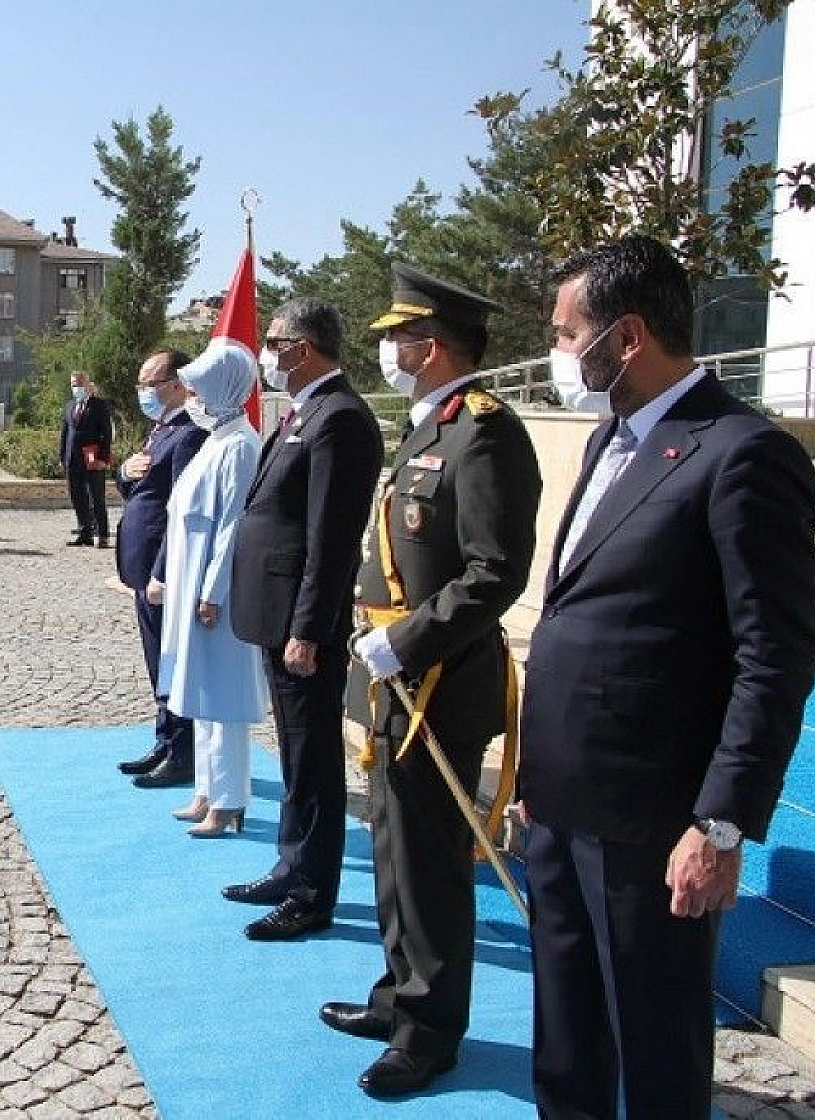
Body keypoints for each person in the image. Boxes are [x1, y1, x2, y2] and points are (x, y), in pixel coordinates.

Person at [518, 235, 815, 1120]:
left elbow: (773, 657)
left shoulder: (741, 453)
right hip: (565, 802)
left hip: (655, 819)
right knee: (567, 1031)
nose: (560, 351)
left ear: (629, 336)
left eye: (569, 333)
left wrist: (720, 823)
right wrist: (539, 774)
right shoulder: (613, 437)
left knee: (654, 1044)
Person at [326, 263, 541, 1097]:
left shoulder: (483, 430)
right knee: (390, 847)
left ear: (435, 345)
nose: (385, 348)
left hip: (438, 680)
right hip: (392, 675)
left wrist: (408, 641)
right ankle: (396, 992)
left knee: (432, 863)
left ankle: (429, 1031)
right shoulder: (429, 426)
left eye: (396, 337)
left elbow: (496, 571)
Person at [223, 299, 383, 941]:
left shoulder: (340, 418)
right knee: (294, 750)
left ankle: (314, 893)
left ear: (305, 347)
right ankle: (292, 864)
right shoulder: (307, 410)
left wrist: (309, 629)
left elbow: (331, 539)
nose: (268, 352)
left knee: (315, 757)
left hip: (301, 623)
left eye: (276, 341)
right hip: (278, 612)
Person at [151, 338, 269, 838]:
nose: (192, 397)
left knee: (224, 697)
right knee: (200, 692)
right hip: (189, 578)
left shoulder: (241, 445)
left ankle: (229, 800)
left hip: (211, 591)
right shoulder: (215, 440)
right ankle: (206, 789)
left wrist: (211, 592)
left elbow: (232, 526)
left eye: (199, 388)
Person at [113, 348, 206, 789]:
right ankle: (165, 739)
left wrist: (164, 571)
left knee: (171, 661)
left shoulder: (188, 435)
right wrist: (124, 471)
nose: (143, 390)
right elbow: (137, 483)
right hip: (140, 566)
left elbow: (180, 510)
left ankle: (183, 751)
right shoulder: (160, 429)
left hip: (159, 569)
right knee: (156, 660)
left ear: (177, 384)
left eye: (150, 382)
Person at [60, 371, 113, 547]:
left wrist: (104, 458)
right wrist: (63, 457)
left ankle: (102, 534)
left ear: (88, 385)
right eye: (74, 384)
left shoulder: (99, 405)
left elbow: (106, 433)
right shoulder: (69, 406)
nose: (77, 388)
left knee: (96, 497)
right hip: (73, 459)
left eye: (79, 384)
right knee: (77, 497)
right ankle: (85, 532)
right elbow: (65, 433)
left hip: (92, 458)